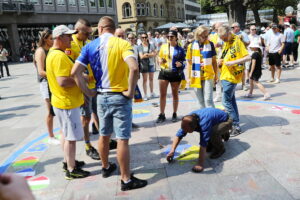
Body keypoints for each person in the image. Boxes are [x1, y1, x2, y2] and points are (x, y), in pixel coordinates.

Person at [71, 16, 147, 191]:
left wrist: (88, 92)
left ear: (100, 28)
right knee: (122, 139)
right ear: (113, 28)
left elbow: (75, 72)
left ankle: (105, 167)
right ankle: (126, 179)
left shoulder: (90, 46)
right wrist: (129, 90)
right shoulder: (122, 44)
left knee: (104, 135)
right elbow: (134, 68)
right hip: (119, 96)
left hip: (101, 95)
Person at [46, 25, 90, 179]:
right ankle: (72, 169)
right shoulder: (58, 56)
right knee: (71, 138)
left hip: (61, 101)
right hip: (67, 102)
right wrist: (81, 78)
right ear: (59, 38)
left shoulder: (54, 53)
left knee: (65, 133)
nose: (71, 39)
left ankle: (67, 161)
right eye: (68, 36)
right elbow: (63, 81)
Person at [65, 18, 100, 160]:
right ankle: (87, 145)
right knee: (85, 117)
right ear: (78, 31)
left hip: (95, 84)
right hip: (82, 87)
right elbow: (69, 68)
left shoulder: (88, 42)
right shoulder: (70, 45)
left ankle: (105, 139)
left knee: (98, 113)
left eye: (90, 34)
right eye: (86, 33)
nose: (89, 36)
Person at [166, 108, 232, 173]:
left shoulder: (204, 124)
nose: (185, 132)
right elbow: (179, 135)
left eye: (187, 131)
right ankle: (223, 133)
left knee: (213, 133)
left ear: (194, 127)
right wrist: (172, 150)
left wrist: (200, 164)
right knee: (209, 145)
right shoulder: (187, 120)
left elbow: (203, 144)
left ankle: (221, 149)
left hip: (226, 120)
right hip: (216, 119)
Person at [218, 25, 250, 136]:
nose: (223, 40)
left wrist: (233, 62)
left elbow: (247, 57)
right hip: (225, 74)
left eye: (224, 38)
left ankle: (235, 125)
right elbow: (225, 55)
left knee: (225, 101)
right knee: (231, 100)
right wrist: (220, 60)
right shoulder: (227, 41)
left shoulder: (237, 41)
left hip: (231, 76)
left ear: (229, 33)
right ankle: (236, 124)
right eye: (221, 38)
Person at [34, 29, 60, 145]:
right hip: (46, 82)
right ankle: (51, 136)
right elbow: (40, 71)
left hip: (52, 81)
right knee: (50, 111)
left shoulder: (51, 49)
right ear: (45, 39)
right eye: (51, 38)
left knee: (56, 108)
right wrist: (56, 75)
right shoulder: (41, 51)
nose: (53, 40)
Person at [156, 30, 186, 123]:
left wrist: (181, 64)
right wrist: (160, 60)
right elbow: (158, 57)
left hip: (175, 73)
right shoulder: (164, 47)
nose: (169, 38)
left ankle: (174, 113)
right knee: (162, 95)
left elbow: (184, 61)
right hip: (164, 72)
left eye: (171, 37)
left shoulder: (180, 49)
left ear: (176, 37)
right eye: (168, 37)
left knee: (175, 94)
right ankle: (162, 114)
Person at [186, 26, 217, 109]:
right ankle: (203, 119)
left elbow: (214, 62)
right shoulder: (191, 46)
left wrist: (216, 75)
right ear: (198, 35)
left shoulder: (210, 44)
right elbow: (189, 63)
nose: (206, 38)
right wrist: (188, 77)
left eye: (207, 35)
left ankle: (212, 119)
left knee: (208, 100)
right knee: (200, 101)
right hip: (195, 76)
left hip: (208, 75)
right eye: (204, 36)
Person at [138, 33, 158, 100]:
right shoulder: (139, 46)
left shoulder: (151, 45)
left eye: (145, 37)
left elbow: (155, 53)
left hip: (151, 64)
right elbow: (141, 56)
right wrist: (150, 54)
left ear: (147, 38)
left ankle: (152, 93)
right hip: (144, 65)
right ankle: (145, 94)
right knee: (145, 80)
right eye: (142, 37)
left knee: (151, 79)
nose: (144, 39)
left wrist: (147, 54)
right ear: (141, 38)